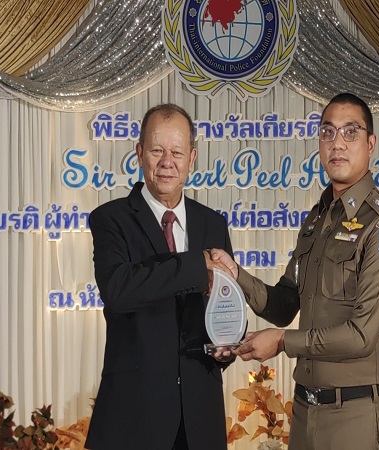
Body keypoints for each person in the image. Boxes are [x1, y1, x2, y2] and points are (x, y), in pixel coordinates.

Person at [212, 93, 379, 450]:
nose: (338, 143)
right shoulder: (318, 219)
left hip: (354, 417)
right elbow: (284, 304)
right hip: (304, 414)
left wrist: (282, 341)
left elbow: (361, 336)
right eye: (328, 132)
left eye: (350, 132)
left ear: (370, 144)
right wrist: (235, 274)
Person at [85, 104, 237, 450]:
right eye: (157, 151)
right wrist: (197, 266)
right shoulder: (110, 219)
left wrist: (228, 344)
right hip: (133, 420)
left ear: (192, 158)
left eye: (177, 152)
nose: (167, 162)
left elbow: (225, 300)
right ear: (139, 153)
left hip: (200, 422)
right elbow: (118, 289)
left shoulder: (213, 223)